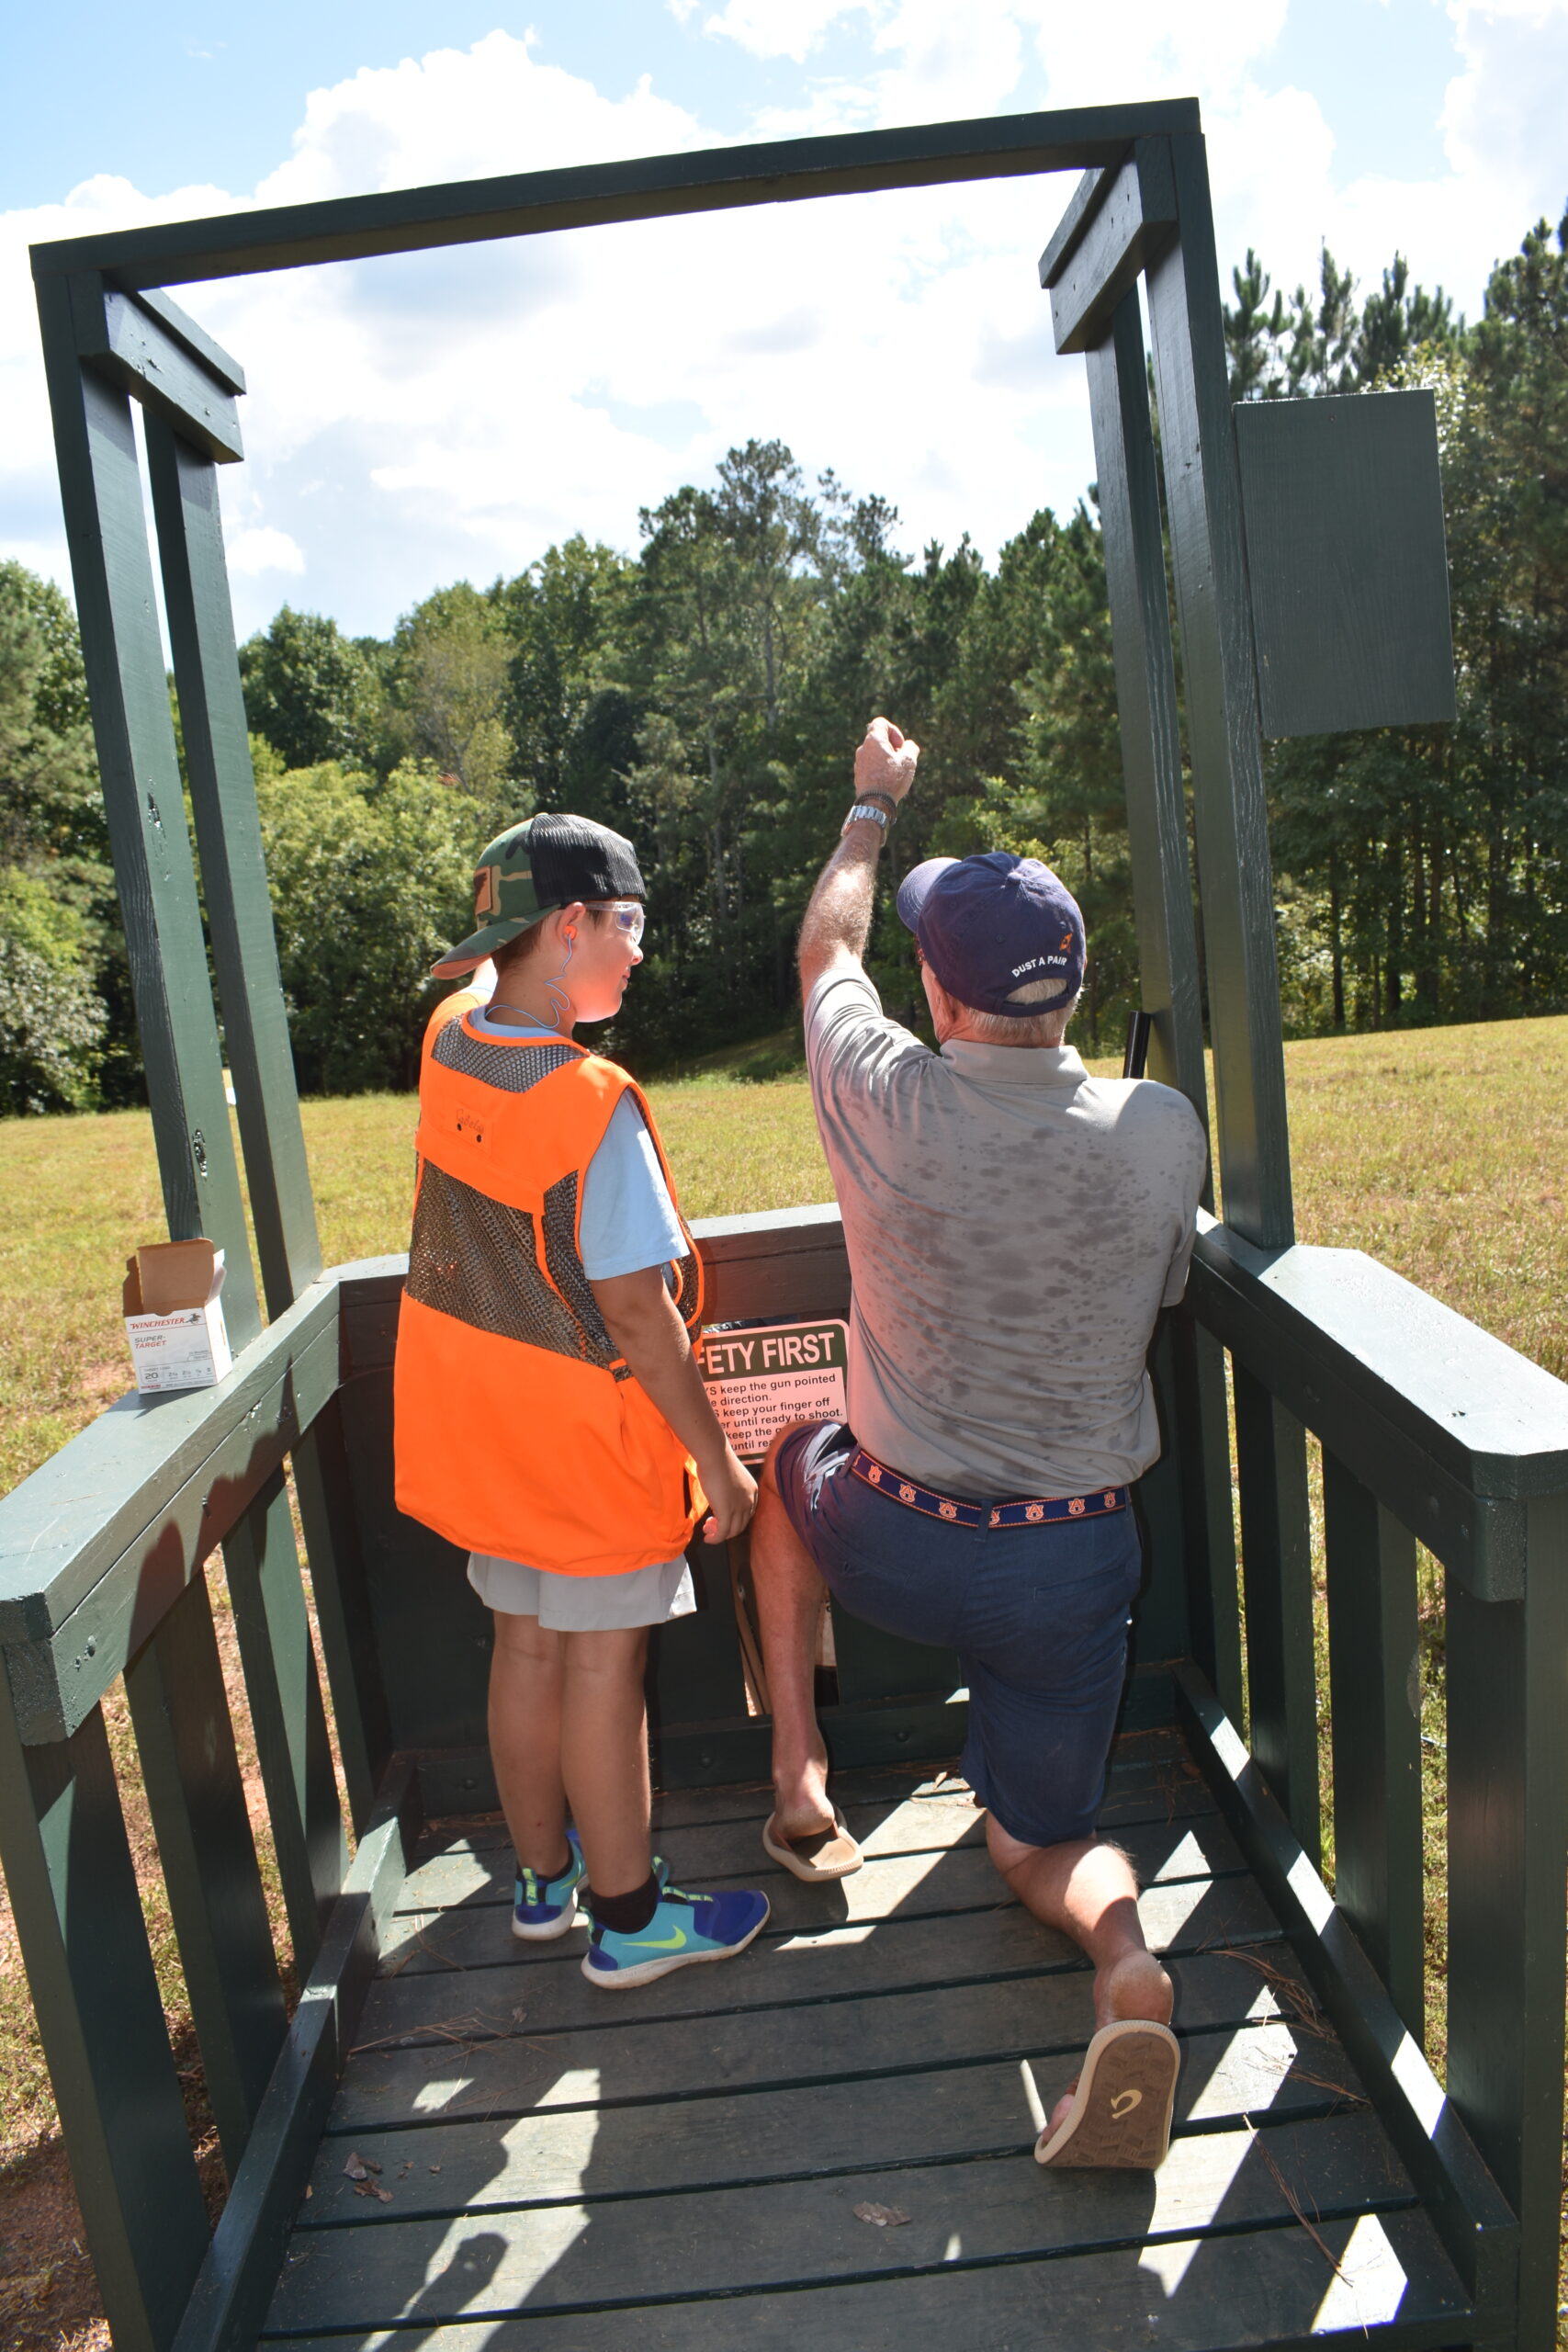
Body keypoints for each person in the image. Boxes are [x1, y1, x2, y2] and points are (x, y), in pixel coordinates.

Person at [749, 719, 1209, 2167]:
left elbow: (825, 953)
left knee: (783, 1470)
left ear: (934, 990)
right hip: (1064, 1564)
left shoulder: (878, 1089)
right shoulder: (1156, 1128)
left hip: (881, 1530)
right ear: (1068, 981)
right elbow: (1167, 1286)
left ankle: (800, 1775)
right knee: (1039, 1844)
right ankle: (1122, 1961)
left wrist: (869, 808)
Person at [393, 811, 769, 1988]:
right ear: (568, 927)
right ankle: (628, 1918)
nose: (641, 951)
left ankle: (543, 1885)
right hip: (587, 1447)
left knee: (522, 1649)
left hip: (481, 1433)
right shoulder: (591, 1105)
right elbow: (644, 1322)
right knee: (603, 1670)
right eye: (630, 924)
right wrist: (721, 1465)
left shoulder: (450, 1039)